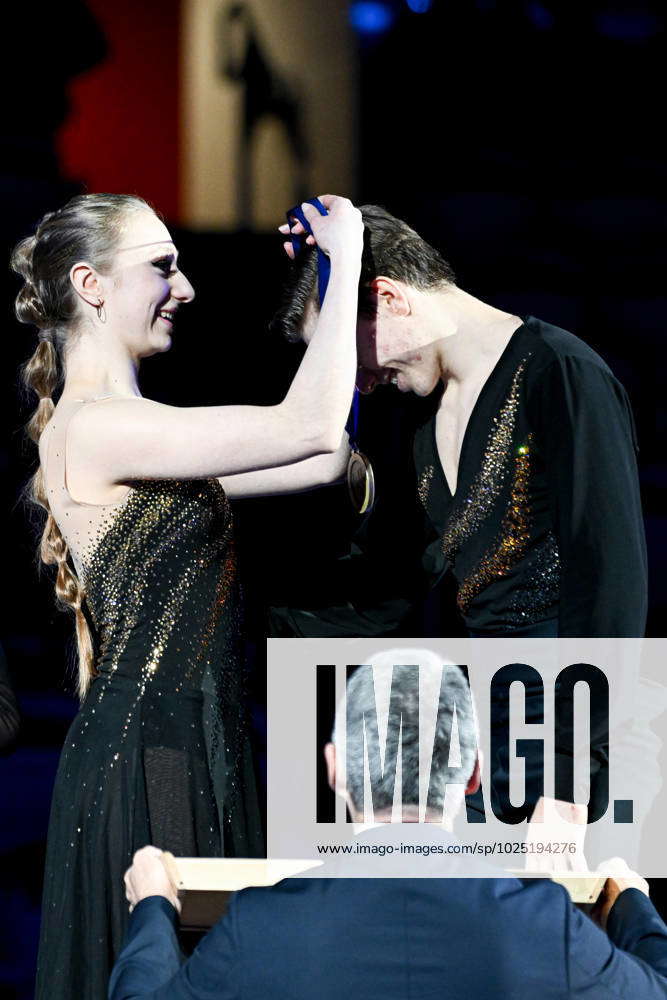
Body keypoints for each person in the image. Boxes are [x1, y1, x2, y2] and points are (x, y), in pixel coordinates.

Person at [12, 191, 362, 1000]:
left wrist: (321, 289)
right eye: (161, 268)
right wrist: (344, 262)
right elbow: (306, 429)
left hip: (194, 739)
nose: (187, 288)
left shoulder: (137, 427)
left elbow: (319, 456)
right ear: (90, 285)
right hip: (154, 756)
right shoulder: (99, 425)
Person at [110, 659, 667, 1000]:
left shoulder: (258, 927)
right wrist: (632, 903)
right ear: (474, 774)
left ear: (333, 769)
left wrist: (154, 908)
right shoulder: (549, 928)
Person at [270, 204, 648, 641]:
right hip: (493, 697)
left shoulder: (557, 372)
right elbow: (387, 587)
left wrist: (586, 708)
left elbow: (608, 579)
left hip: (566, 694)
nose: (361, 385)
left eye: (348, 357)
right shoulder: (418, 412)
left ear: (388, 299)